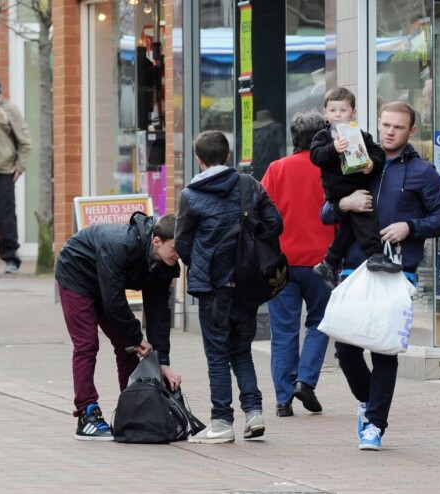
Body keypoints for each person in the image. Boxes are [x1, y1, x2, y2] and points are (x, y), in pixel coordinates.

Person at [322, 101, 440, 451]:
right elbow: (326, 210)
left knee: (383, 350)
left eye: (397, 127)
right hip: (354, 266)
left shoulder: (423, 171)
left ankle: (375, 425)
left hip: (398, 272)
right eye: (385, 125)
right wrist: (343, 205)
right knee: (346, 348)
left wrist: (409, 227)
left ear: (411, 131)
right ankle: (368, 403)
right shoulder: (361, 158)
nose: (389, 132)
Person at [174, 130, 283, 444]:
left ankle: (221, 421)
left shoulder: (191, 195)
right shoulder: (250, 185)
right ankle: (254, 412)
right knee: (242, 351)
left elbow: (182, 243)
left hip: (213, 286)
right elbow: (275, 225)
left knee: (218, 355)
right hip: (248, 283)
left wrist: (202, 263)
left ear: (199, 158)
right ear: (227, 155)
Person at [55, 212, 182, 441]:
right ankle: (87, 413)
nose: (179, 254)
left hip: (105, 285)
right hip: (76, 274)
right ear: (157, 241)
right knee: (87, 344)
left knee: (127, 346)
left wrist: (162, 361)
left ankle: (134, 409)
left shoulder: (166, 264)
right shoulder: (120, 245)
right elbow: (113, 302)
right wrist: (137, 336)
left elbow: (159, 314)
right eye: (175, 248)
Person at [261, 110, 334, 417]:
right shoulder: (331, 170)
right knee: (321, 322)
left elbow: (261, 211)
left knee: (283, 331)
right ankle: (305, 380)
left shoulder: (277, 169)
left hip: (282, 262)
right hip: (323, 260)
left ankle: (282, 397)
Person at [310, 86, 399, 291]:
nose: (338, 115)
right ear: (325, 113)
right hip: (339, 189)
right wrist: (333, 148)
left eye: (343, 110)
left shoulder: (360, 134)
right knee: (365, 217)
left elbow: (377, 152)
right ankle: (375, 254)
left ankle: (329, 262)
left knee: (352, 227)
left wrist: (371, 165)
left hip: (359, 184)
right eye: (333, 111)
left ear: (353, 112)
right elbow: (315, 156)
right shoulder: (322, 136)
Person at [0, 72, 32, 274]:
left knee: (5, 219)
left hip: (1, 172)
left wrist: (20, 166)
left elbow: (25, 141)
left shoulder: (8, 110)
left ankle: (11, 259)